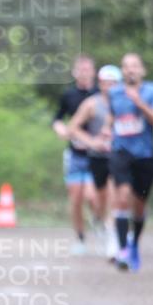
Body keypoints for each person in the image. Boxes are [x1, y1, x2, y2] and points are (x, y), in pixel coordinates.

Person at [105, 53, 153, 272]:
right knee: (122, 198)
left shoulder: (151, 91)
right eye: (126, 66)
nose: (130, 70)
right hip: (121, 151)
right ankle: (123, 249)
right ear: (122, 71)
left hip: (145, 154)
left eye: (134, 66)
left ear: (142, 70)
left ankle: (134, 244)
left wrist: (139, 103)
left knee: (139, 207)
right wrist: (108, 127)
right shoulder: (114, 93)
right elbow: (113, 116)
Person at [67, 65, 122, 261]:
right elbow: (72, 127)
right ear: (100, 84)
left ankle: (114, 240)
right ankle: (99, 220)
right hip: (96, 158)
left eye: (113, 83)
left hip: (119, 157)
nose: (109, 87)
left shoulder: (126, 102)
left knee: (116, 197)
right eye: (106, 83)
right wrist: (93, 142)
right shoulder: (92, 104)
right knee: (98, 200)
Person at [52, 55, 98, 254]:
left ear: (93, 72)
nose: (84, 73)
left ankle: (100, 222)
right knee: (76, 199)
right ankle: (80, 238)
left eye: (87, 69)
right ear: (74, 72)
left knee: (93, 196)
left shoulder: (100, 94)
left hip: (97, 155)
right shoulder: (68, 95)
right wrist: (60, 129)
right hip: (74, 154)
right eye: (80, 69)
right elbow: (57, 118)